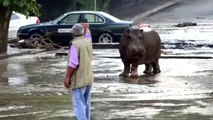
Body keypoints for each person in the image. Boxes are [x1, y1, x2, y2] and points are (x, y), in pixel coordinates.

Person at [64, 23, 94, 120]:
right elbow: (88, 35)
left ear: (72, 33)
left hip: (79, 80)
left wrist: (67, 77)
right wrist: (87, 28)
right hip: (88, 79)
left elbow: (73, 63)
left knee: (79, 104)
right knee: (86, 103)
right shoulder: (88, 41)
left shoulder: (74, 44)